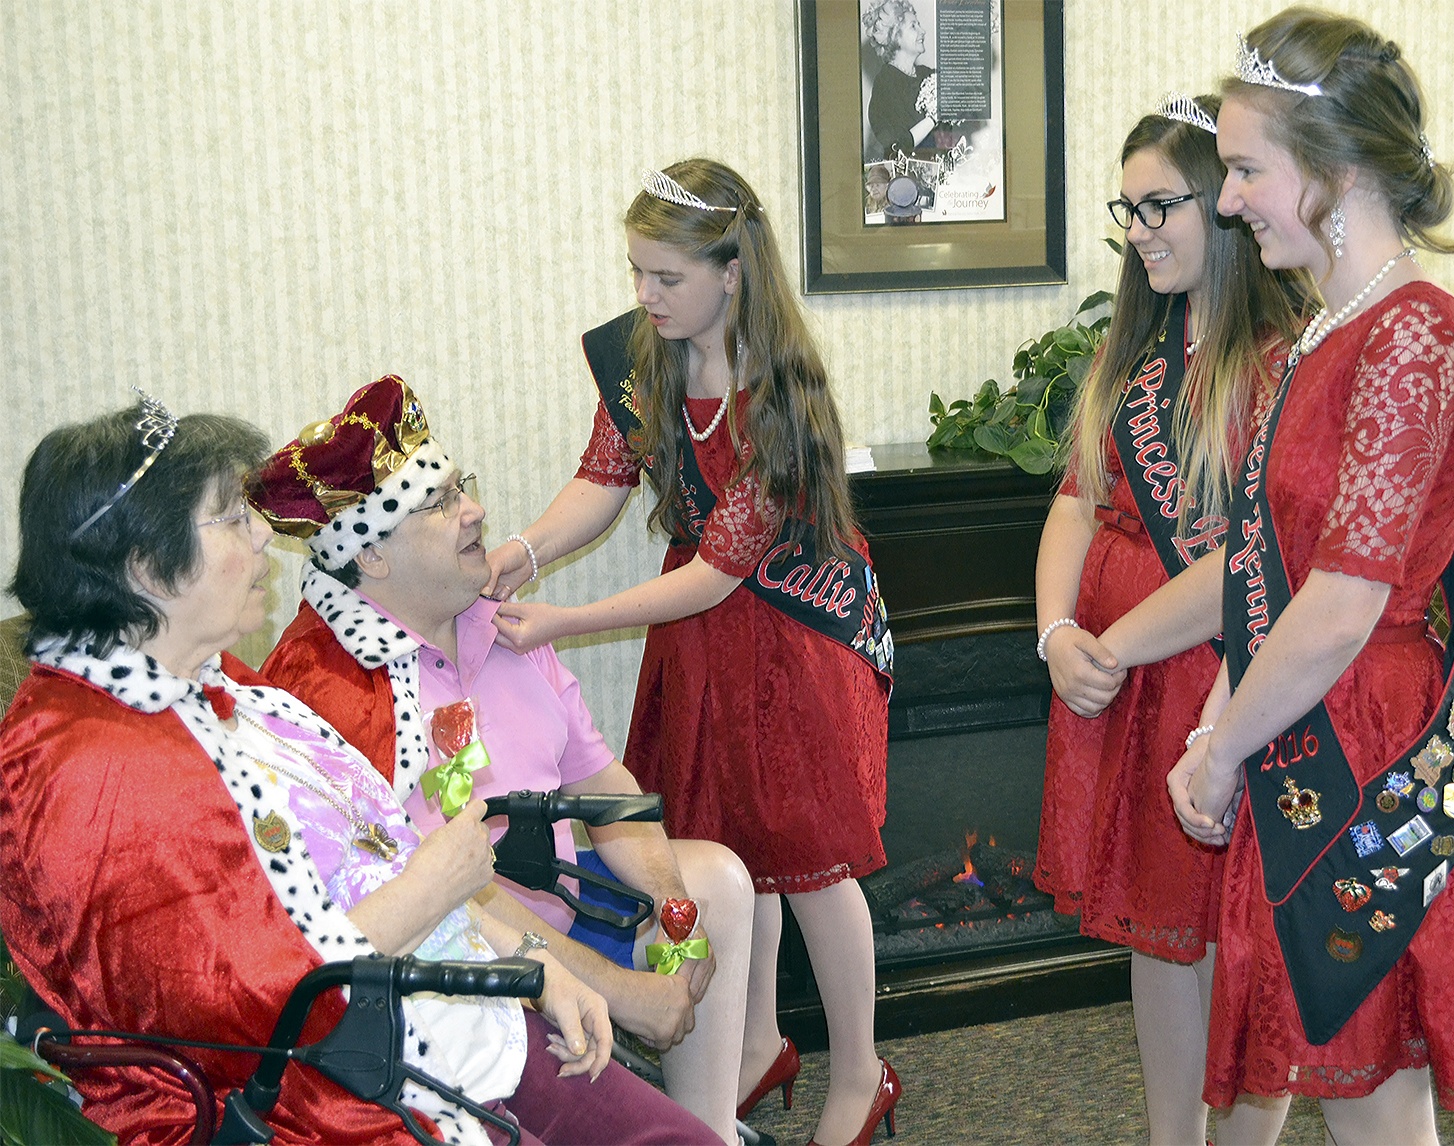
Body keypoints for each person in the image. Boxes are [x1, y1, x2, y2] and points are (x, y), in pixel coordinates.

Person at [0, 395, 717, 1145]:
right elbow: (243, 1016)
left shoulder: (221, 689)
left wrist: (532, 968)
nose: (261, 538)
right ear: (148, 566)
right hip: (330, 1093)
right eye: (230, 518)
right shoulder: (101, 772)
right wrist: (436, 888)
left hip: (451, 1007)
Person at [1105, 10, 1454, 1143]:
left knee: (1374, 1095)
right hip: (1296, 719)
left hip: (1368, 747)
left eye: (1243, 170)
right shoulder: (1323, 334)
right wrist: (1219, 723)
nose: (1226, 202)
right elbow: (1268, 578)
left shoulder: (1419, 339)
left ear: (1333, 169)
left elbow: (1344, 603)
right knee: (1313, 1065)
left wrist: (1221, 743)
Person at [486, 159, 899, 1146]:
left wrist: (559, 619)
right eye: (636, 271)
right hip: (705, 638)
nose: (645, 295)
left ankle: (860, 1070)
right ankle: (753, 1047)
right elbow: (602, 479)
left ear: (732, 272)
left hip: (796, 634)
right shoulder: (646, 356)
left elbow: (720, 571)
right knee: (728, 846)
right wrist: (523, 552)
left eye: (665, 277)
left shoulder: (785, 396)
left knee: (811, 861)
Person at [250, 375, 756, 1144]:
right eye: (442, 501)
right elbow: (450, 903)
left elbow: (605, 785)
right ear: (374, 556)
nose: (477, 511)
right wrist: (623, 992)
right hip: (468, 967)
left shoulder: (508, 628)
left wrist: (668, 906)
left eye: (465, 487)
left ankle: (706, 1127)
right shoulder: (339, 693)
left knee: (717, 878)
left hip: (570, 918)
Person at [1032, 92, 1305, 1146]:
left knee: (1241, 946)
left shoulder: (1282, 362)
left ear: (1232, 205)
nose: (1139, 229)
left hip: (1222, 691)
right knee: (1158, 942)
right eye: (1128, 209)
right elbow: (1074, 494)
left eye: (1163, 205)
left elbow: (1256, 558)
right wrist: (1057, 632)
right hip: (1120, 684)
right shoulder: (1134, 355)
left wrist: (1113, 640)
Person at [861, 0, 938, 159]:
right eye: (913, 26)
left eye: (919, 25)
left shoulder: (927, 75)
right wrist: (933, 118)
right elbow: (897, 148)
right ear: (895, 35)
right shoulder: (885, 84)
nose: (922, 31)